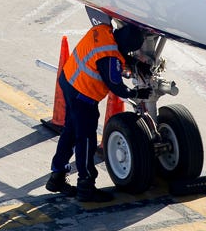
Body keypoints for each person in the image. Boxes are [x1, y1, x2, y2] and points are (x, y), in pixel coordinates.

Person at [45, 21, 146, 202]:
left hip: (68, 81)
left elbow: (116, 51)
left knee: (70, 132)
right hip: (82, 98)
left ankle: (56, 177)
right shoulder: (109, 58)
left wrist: (134, 63)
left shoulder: (102, 30)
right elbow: (116, 87)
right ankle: (86, 186)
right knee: (85, 140)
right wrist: (138, 93)